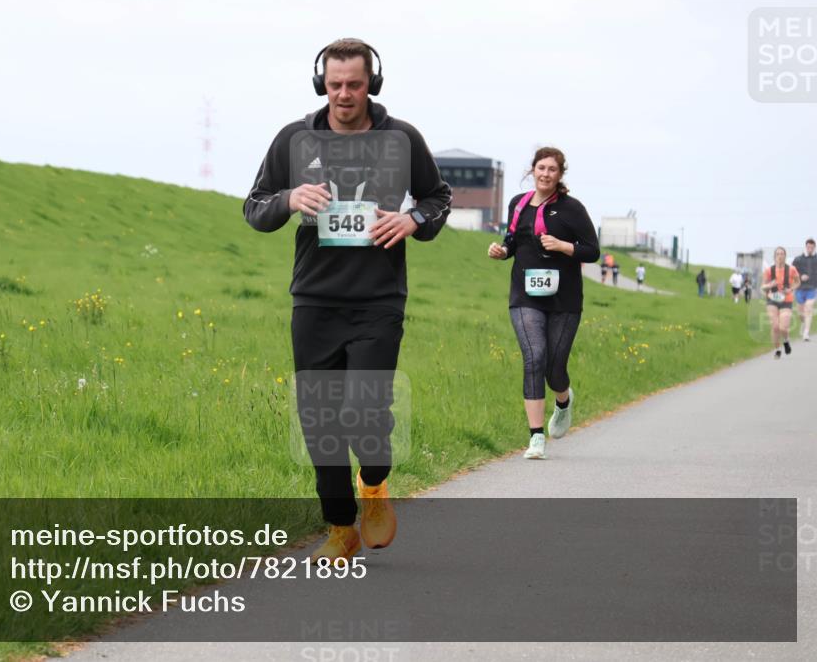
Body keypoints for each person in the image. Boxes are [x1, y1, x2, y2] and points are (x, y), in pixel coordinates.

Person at [243, 38, 451, 564]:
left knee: (364, 409)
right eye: (334, 84)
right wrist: (290, 199)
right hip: (314, 299)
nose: (343, 94)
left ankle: (375, 486)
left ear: (371, 83)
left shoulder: (402, 139)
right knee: (320, 420)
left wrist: (412, 220)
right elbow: (254, 206)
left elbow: (438, 197)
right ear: (321, 84)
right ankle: (340, 528)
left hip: (378, 298)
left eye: (354, 84)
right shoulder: (295, 139)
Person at [488, 147, 600, 460]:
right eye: (541, 167)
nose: (546, 173)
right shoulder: (518, 204)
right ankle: (536, 437)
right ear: (532, 170)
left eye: (552, 169)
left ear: (560, 175)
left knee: (554, 368)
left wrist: (564, 246)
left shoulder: (572, 209)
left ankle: (563, 401)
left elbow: (592, 251)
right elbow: (513, 241)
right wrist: (501, 251)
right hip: (525, 295)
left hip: (564, 299)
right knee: (534, 357)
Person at [761, 246, 801, 359]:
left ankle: (786, 341)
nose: (780, 255)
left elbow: (798, 282)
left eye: (782, 253)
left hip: (786, 300)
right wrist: (769, 285)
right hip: (772, 299)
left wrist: (791, 289)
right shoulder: (769, 270)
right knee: (774, 327)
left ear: (785, 256)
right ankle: (777, 350)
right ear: (774, 256)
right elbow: (763, 286)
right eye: (778, 253)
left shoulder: (792, 269)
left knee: (783, 328)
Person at [792, 238, 816, 341]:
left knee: (809, 309)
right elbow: (792, 273)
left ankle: (806, 333)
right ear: (806, 247)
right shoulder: (798, 259)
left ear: (814, 247)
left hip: (812, 288)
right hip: (800, 289)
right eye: (808, 247)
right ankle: (803, 322)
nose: (810, 248)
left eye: (812, 247)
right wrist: (800, 276)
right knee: (801, 312)